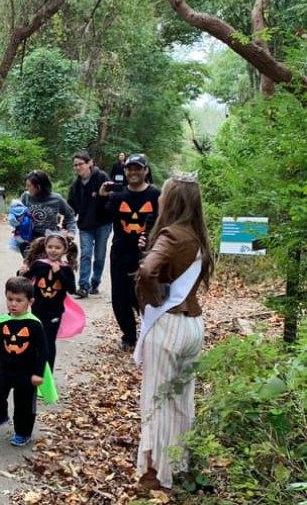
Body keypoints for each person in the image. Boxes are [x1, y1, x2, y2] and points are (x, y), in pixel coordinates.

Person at [134, 175, 213, 491]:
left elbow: (146, 270)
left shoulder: (171, 234)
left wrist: (153, 295)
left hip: (167, 326)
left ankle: (155, 473)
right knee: (182, 400)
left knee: (155, 401)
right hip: (193, 326)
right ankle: (179, 465)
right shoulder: (198, 235)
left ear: (172, 200)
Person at [98, 154, 161, 352]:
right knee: (120, 296)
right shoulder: (118, 196)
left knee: (144, 295)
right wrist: (101, 197)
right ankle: (129, 336)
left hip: (147, 254)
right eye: (129, 169)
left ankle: (149, 332)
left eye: (137, 168)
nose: (133, 172)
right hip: (120, 252)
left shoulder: (156, 195)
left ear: (146, 170)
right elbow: (103, 218)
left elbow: (164, 222)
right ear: (125, 171)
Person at [0, 277, 49, 447]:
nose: (13, 304)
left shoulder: (34, 325)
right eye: (10, 299)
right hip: (5, 367)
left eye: (19, 300)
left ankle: (23, 432)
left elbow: (43, 351)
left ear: (30, 301)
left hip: (26, 372)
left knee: (23, 404)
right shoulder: (5, 320)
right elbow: (3, 340)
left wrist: (38, 374)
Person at [18, 233, 77, 370]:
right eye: (50, 247)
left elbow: (72, 289)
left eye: (57, 247)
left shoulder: (66, 269)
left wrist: (58, 273)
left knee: (48, 342)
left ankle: (47, 373)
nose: (53, 250)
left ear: (64, 250)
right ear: (45, 247)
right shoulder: (39, 265)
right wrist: (21, 273)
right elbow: (26, 281)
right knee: (34, 341)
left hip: (55, 313)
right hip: (37, 309)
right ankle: (33, 370)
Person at [67, 152, 112, 298]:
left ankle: (95, 281)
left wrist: (103, 197)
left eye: (81, 164)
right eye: (75, 165)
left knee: (99, 256)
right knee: (86, 254)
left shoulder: (102, 178)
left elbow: (113, 199)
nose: (78, 167)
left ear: (89, 163)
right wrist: (65, 226)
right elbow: (71, 207)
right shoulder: (75, 186)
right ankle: (83, 286)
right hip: (85, 225)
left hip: (102, 223)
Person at [17, 170, 77, 258]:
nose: (26, 188)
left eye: (29, 186)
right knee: (33, 267)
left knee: (46, 268)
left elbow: (70, 215)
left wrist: (71, 232)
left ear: (38, 186)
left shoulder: (56, 199)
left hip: (49, 239)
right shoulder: (25, 197)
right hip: (29, 239)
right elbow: (17, 215)